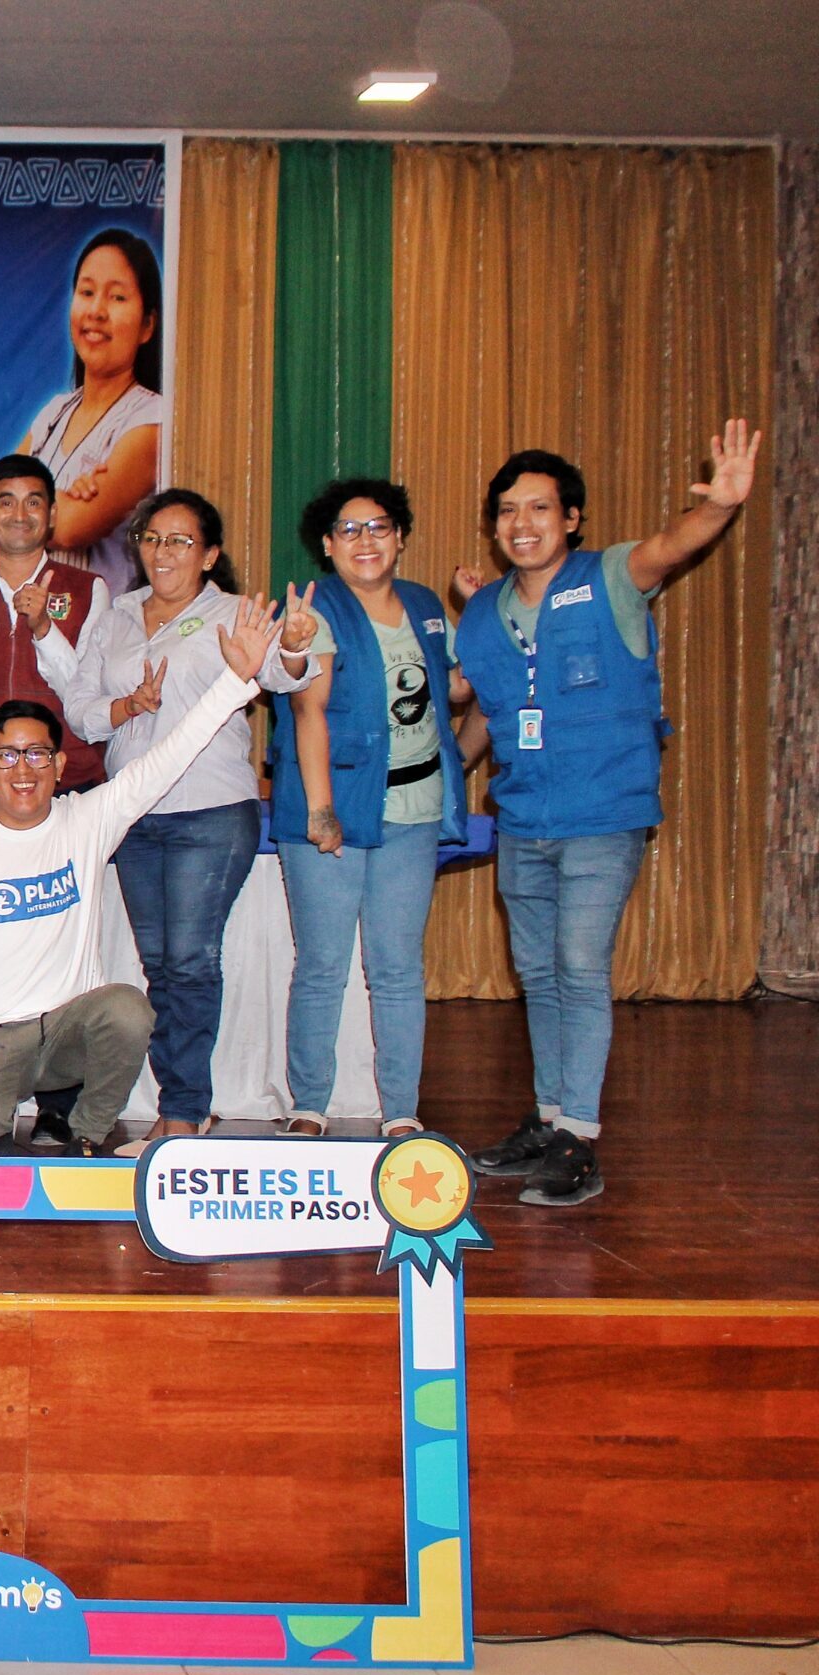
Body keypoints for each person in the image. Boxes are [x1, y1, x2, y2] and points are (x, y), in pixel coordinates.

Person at [452, 422, 760, 1208]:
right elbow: (486, 709)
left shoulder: (614, 575)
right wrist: (445, 776)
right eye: (509, 512)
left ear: (572, 520)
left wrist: (721, 507)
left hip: (604, 813)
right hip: (523, 818)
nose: (523, 524)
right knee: (541, 975)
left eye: (540, 509)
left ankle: (580, 1140)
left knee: (581, 968)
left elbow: (672, 543)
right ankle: (551, 1116)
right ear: (494, 528)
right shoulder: (482, 612)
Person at [0, 596, 286, 1156]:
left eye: (38, 754)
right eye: (7, 756)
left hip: (67, 1033)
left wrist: (234, 680)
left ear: (60, 766)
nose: (24, 769)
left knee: (128, 1010)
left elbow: (168, 757)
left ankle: (85, 1133)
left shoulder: (88, 818)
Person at [49, 490, 316, 1137]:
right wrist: (126, 707)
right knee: (160, 964)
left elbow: (284, 678)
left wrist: (296, 649)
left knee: (191, 960)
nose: (163, 552)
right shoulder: (116, 616)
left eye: (181, 541)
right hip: (133, 814)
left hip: (211, 811)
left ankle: (183, 1110)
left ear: (210, 554)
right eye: (152, 539)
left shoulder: (232, 611)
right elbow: (80, 708)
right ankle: (185, 1099)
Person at [270, 479, 473, 1140]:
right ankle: (309, 1105)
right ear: (328, 546)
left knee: (397, 967)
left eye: (379, 527)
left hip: (412, 809)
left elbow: (453, 692)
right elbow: (309, 710)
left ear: (402, 536)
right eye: (349, 531)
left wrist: (474, 618)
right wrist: (324, 812)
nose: (366, 541)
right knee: (323, 963)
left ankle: (402, 1111)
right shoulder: (315, 609)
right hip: (334, 805)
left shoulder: (422, 605)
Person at [10, 228, 166, 597]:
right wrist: (61, 499)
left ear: (147, 325)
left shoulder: (152, 420)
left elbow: (72, 528)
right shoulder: (55, 412)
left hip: (103, 635)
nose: (96, 311)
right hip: (34, 622)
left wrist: (22, 505)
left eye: (117, 297)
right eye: (87, 292)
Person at [0, 453, 108, 792]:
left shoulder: (88, 589)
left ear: (51, 515)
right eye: (7, 503)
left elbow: (88, 697)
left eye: (32, 503)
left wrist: (44, 630)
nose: (20, 516)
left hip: (68, 778)